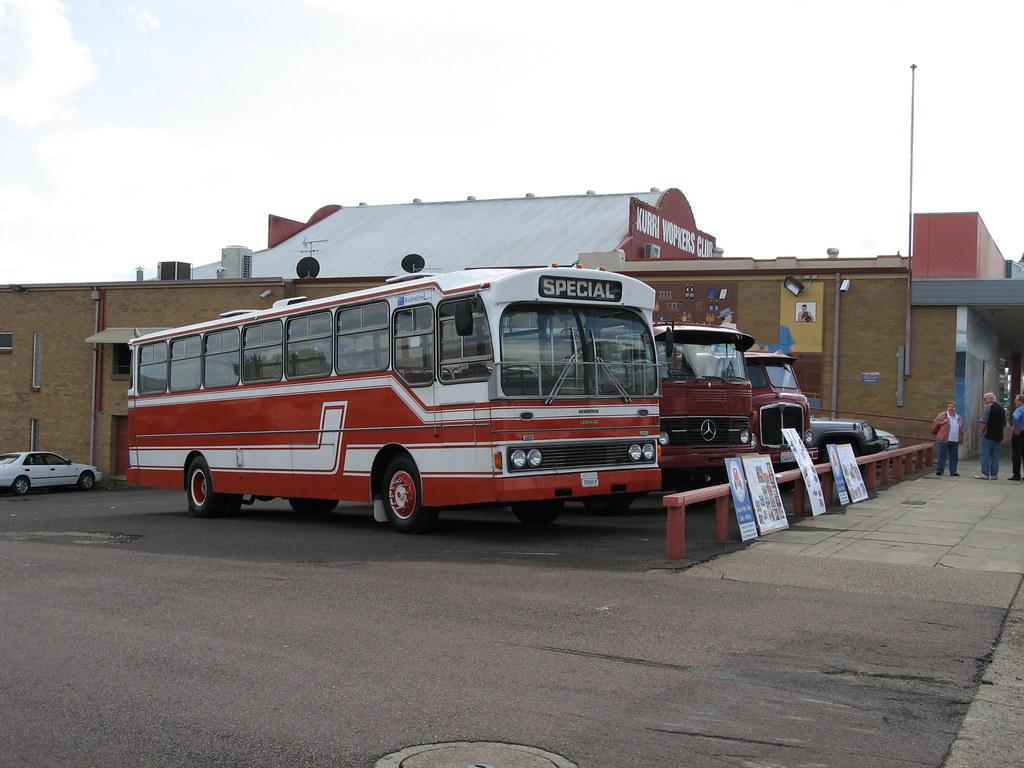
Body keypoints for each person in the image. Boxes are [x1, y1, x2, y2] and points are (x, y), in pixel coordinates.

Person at [975, 392, 1006, 479]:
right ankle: (994, 474)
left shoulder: (988, 407)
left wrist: (980, 431)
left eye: (985, 399)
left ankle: (985, 473)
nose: (984, 401)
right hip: (998, 436)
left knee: (985, 455)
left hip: (988, 435)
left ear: (990, 399)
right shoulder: (1001, 408)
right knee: (995, 456)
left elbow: (984, 420)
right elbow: (1004, 423)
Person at [932, 401, 963, 476]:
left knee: (954, 456)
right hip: (944, 439)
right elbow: (935, 423)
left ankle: (953, 471)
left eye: (952, 407)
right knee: (942, 455)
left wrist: (961, 439)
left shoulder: (958, 418)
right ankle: (940, 470)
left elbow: (961, 429)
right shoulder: (942, 415)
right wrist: (942, 422)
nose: (951, 408)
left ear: (955, 408)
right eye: (949, 406)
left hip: (955, 440)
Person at [1010, 393, 1024, 482]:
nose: (1015, 402)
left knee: (1016, 454)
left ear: (1020, 401)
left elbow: (1017, 417)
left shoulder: (1019, 409)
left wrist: (1017, 426)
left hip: (1019, 433)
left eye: (1016, 400)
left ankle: (1016, 475)